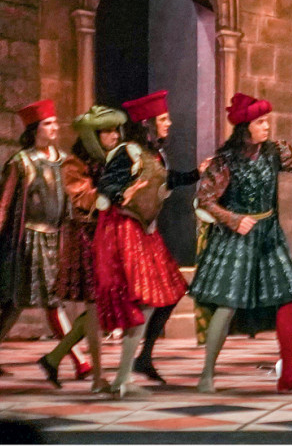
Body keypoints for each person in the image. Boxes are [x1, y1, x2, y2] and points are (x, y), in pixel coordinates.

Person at [189, 94, 292, 393]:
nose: (267, 126)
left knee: (289, 297)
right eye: (260, 122)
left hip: (268, 235)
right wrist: (232, 219)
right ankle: (207, 375)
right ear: (245, 127)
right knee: (227, 304)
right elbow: (205, 199)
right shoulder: (225, 161)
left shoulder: (273, 151)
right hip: (237, 236)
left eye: (267, 121)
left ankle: (287, 375)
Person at [90, 91, 190, 398]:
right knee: (143, 301)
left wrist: (199, 173)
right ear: (147, 123)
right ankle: (122, 377)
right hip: (125, 230)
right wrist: (123, 194)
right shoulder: (127, 151)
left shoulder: (153, 154)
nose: (168, 123)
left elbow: (165, 180)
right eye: (163, 119)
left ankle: (129, 370)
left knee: (163, 295)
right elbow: (107, 184)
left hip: (144, 231)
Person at [37, 106, 121, 391]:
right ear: (93, 136)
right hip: (88, 239)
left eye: (115, 130)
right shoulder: (75, 164)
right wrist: (115, 191)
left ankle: (54, 357)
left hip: (109, 237)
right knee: (96, 307)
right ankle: (97, 378)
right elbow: (83, 198)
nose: (114, 135)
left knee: (103, 307)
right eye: (107, 131)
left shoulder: (112, 159)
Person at [0, 101, 69, 376]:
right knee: (42, 301)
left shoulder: (63, 160)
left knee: (20, 304)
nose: (55, 127)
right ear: (35, 129)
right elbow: (2, 205)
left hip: (55, 239)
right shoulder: (21, 162)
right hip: (29, 242)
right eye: (48, 123)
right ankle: (79, 361)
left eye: (55, 122)